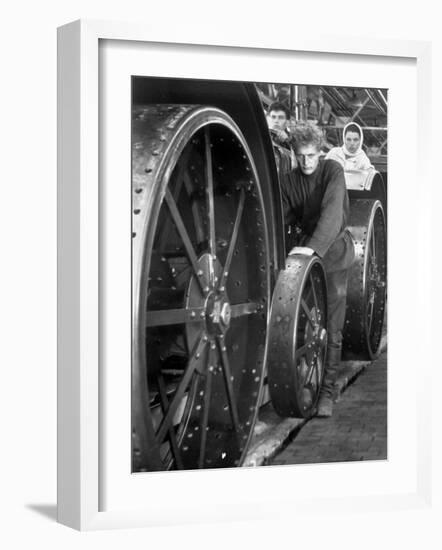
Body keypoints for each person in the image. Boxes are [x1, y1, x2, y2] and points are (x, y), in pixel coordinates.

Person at [280, 121, 355, 417]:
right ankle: (307, 381)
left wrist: (310, 249)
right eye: (301, 156)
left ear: (320, 152)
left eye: (312, 155)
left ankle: (327, 392)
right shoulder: (288, 180)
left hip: (333, 253)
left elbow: (332, 215)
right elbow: (281, 217)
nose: (307, 162)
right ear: (294, 153)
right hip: (306, 259)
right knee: (307, 325)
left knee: (332, 329)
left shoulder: (332, 171)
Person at [266, 101, 296, 174]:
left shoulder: (292, 141)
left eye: (281, 118)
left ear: (287, 122)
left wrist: (288, 140)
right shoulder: (261, 139)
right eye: (273, 117)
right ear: (267, 119)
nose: (276, 121)